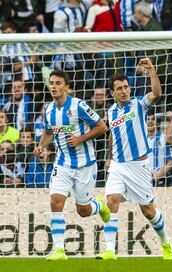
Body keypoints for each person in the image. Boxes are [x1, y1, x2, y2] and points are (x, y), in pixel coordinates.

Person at [96, 58, 172, 260]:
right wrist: (108, 158)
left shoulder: (139, 105)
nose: (124, 91)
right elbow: (113, 135)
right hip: (118, 165)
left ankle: (166, 243)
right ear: (112, 93)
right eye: (119, 88)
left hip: (138, 166)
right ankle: (110, 251)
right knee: (112, 200)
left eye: (126, 87)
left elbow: (157, 93)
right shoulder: (111, 111)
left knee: (149, 212)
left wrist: (152, 71)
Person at [33, 70, 110, 261]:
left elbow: (102, 126)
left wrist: (80, 139)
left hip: (85, 164)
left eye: (58, 83)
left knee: (83, 211)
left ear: (66, 87)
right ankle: (59, 251)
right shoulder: (49, 110)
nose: (54, 86)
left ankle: (99, 205)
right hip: (62, 163)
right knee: (55, 201)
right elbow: (49, 132)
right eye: (51, 83)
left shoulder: (79, 106)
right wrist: (41, 146)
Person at [147, 113, 172, 187]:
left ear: (158, 124)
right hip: (144, 179)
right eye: (147, 119)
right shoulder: (141, 140)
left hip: (160, 179)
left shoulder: (163, 138)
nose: (150, 121)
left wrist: (159, 174)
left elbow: (170, 162)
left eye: (153, 119)